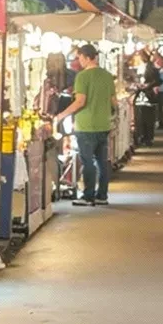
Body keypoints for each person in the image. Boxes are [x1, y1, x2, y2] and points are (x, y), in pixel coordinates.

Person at [54, 44, 115, 206]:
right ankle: (102, 195)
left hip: (86, 125)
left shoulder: (82, 77)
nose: (78, 61)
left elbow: (80, 101)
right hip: (104, 124)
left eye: (79, 57)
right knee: (102, 162)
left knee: (87, 162)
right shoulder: (107, 76)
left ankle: (88, 196)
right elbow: (113, 101)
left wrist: (61, 115)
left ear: (87, 57)